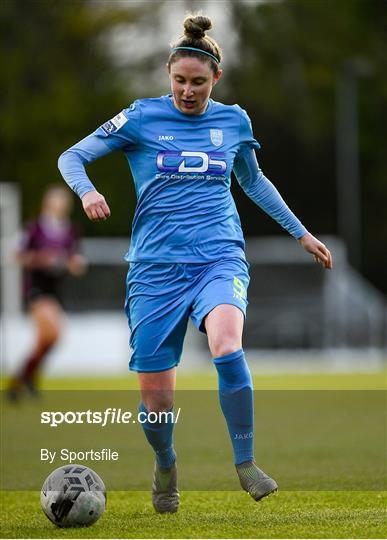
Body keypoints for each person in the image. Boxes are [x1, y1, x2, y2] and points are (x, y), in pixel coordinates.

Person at [58, 14, 332, 513]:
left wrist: (302, 233)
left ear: (216, 79)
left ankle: (246, 463)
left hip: (219, 256)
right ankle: (165, 463)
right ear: (168, 73)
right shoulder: (140, 117)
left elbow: (254, 182)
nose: (188, 91)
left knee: (228, 346)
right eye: (180, 80)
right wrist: (88, 190)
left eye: (199, 83)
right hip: (155, 269)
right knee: (158, 404)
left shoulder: (234, 121)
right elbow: (71, 157)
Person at [7, 186, 86, 401]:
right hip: (37, 288)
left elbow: (75, 259)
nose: (60, 204)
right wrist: (43, 259)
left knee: (50, 339)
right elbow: (18, 255)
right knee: (52, 333)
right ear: (47, 202)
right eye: (56, 200)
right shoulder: (34, 228)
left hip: (56, 289)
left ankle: (22, 379)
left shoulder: (70, 229)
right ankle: (25, 379)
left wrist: (74, 264)